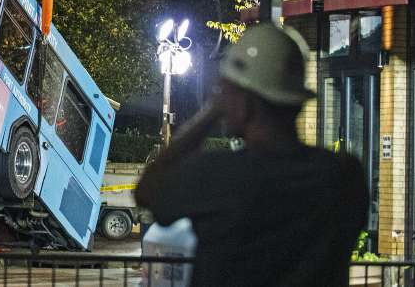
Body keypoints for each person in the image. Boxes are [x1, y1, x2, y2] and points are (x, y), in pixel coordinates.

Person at [135, 23, 368, 287]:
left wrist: (210, 113)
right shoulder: (344, 175)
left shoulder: (220, 177)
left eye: (226, 93)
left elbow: (147, 191)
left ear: (244, 104)